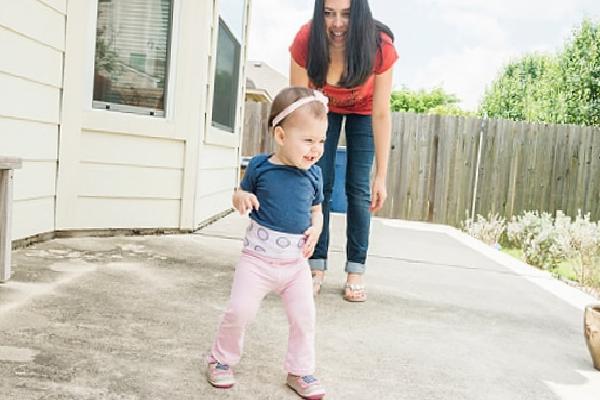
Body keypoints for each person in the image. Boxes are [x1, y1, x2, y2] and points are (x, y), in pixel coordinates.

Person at [206, 87, 328, 400]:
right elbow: (237, 194)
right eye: (308, 140)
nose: (316, 149)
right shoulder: (261, 167)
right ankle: (221, 360)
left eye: (321, 141)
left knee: (305, 317)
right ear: (281, 136)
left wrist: (316, 229)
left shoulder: (313, 175)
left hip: (294, 265)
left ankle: (299, 371)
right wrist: (241, 197)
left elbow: (317, 211)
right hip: (257, 262)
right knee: (240, 311)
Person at [290, 0, 398, 302]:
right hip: (321, 107)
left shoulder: (380, 47)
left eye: (346, 14)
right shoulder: (306, 41)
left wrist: (382, 176)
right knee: (318, 183)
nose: (337, 23)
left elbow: (381, 114)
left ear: (360, 13)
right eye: (329, 13)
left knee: (359, 189)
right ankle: (315, 266)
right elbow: (297, 104)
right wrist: (297, 162)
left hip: (365, 111)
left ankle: (355, 270)